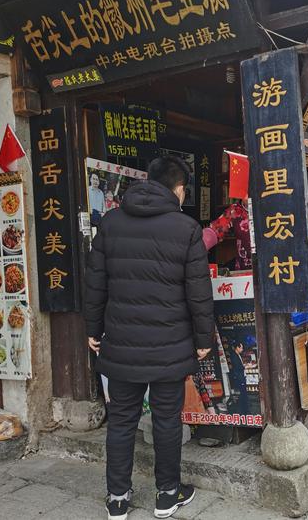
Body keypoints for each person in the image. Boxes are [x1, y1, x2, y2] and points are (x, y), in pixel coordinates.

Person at [84, 156, 215, 520]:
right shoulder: (186, 228)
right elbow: (198, 291)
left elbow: (96, 283)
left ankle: (117, 499)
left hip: (122, 344)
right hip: (169, 345)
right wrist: (203, 337)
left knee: (122, 420)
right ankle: (168, 494)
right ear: (177, 189)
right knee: (167, 420)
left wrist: (93, 331)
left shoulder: (111, 223)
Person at [228, 341, 249, 414]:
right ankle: (244, 411)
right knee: (243, 394)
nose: (242, 349)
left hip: (241, 376)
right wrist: (245, 366)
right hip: (239, 377)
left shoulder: (237, 354)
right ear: (237, 347)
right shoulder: (234, 356)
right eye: (241, 347)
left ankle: (244, 409)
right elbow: (237, 367)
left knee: (243, 393)